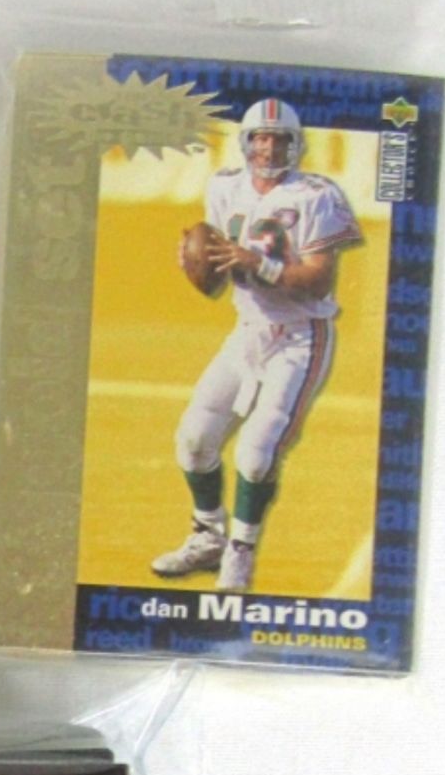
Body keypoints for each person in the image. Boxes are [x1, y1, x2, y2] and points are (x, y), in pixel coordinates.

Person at [152, 98, 361, 592]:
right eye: (260, 138)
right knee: (193, 439)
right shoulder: (224, 186)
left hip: (299, 337)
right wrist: (196, 261)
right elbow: (218, 263)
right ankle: (207, 536)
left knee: (255, 452)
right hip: (246, 331)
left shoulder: (316, 195)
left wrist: (257, 263)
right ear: (246, 142)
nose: (268, 148)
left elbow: (317, 280)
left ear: (295, 144)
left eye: (279, 139)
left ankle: (240, 552)